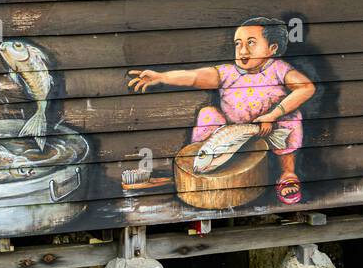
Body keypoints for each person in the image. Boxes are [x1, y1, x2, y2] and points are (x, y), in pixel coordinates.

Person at [127, 17, 315, 204]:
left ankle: (287, 173)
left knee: (291, 118)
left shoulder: (278, 69)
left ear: (272, 48)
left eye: (251, 43)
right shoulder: (227, 73)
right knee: (208, 114)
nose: (243, 50)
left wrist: (273, 115)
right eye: (238, 44)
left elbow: (306, 87)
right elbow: (193, 77)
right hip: (231, 133)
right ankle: (202, 162)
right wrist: (161, 77)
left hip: (270, 128)